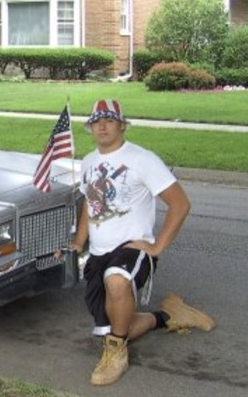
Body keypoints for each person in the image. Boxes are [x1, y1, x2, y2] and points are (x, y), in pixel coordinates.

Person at [57, 99, 215, 386]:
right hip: (99, 252)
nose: (102, 126)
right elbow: (90, 204)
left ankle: (116, 355)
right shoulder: (90, 161)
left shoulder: (142, 159)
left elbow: (180, 204)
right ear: (91, 127)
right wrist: (79, 241)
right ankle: (168, 315)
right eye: (97, 121)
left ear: (122, 125)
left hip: (133, 248)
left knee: (117, 281)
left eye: (109, 120)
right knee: (118, 325)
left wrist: (156, 247)